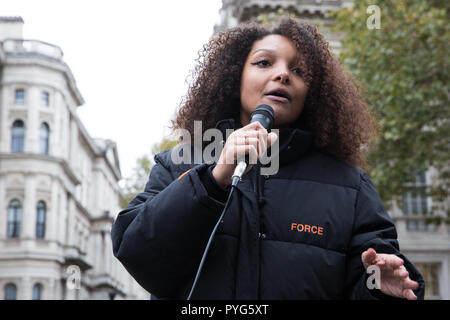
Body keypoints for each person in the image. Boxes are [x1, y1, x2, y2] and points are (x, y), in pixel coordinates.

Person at [111, 18, 425, 300]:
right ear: (234, 78)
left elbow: (374, 275)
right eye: (264, 63)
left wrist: (380, 288)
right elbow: (139, 255)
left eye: (298, 70)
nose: (282, 74)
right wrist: (212, 180)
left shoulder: (351, 186)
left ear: (312, 93)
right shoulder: (178, 164)